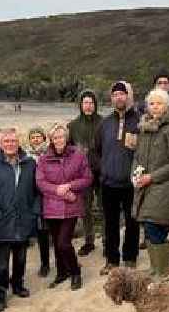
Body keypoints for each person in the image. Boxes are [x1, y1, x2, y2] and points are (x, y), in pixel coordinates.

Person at [0, 129, 40, 312]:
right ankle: (0, 296)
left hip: (23, 220)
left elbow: (37, 191)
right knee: (1, 264)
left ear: (18, 142)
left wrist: (34, 212)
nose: (10, 144)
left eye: (13, 140)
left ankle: (18, 286)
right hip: (1, 222)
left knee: (20, 259)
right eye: (7, 141)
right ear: (1, 144)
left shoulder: (29, 164)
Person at [131, 89, 169, 278]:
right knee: (149, 227)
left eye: (159, 103)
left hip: (164, 187)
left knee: (156, 229)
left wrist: (152, 177)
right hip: (145, 186)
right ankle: (157, 268)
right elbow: (137, 156)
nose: (155, 107)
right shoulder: (144, 127)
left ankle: (163, 271)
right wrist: (135, 175)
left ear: (167, 105)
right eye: (152, 103)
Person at [92, 81, 141, 275]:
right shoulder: (104, 123)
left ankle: (130, 258)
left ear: (128, 96)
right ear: (111, 99)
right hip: (109, 183)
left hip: (131, 183)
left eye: (122, 94)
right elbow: (95, 151)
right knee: (110, 223)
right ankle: (112, 259)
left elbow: (145, 152)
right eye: (115, 95)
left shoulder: (139, 121)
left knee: (132, 222)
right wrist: (102, 169)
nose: (119, 98)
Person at [36, 124, 92, 290]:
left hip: (71, 205)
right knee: (57, 243)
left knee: (63, 243)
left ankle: (75, 272)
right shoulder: (44, 159)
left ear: (66, 138)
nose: (58, 140)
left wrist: (69, 186)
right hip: (51, 207)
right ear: (51, 140)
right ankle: (61, 273)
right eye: (55, 138)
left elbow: (87, 178)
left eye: (61, 137)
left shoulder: (78, 155)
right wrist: (58, 190)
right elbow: (41, 183)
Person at [67, 89, 103, 256]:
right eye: (85, 103)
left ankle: (107, 239)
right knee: (85, 208)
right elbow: (67, 150)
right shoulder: (72, 126)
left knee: (104, 207)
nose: (88, 106)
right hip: (82, 174)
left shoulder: (104, 122)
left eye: (91, 103)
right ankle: (89, 241)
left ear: (95, 104)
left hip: (102, 172)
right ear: (80, 105)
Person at [27, 127, 52, 277]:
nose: (36, 139)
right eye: (33, 137)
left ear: (44, 138)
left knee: (55, 230)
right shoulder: (25, 156)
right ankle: (45, 263)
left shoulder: (49, 153)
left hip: (49, 194)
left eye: (38, 136)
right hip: (33, 197)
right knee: (41, 231)